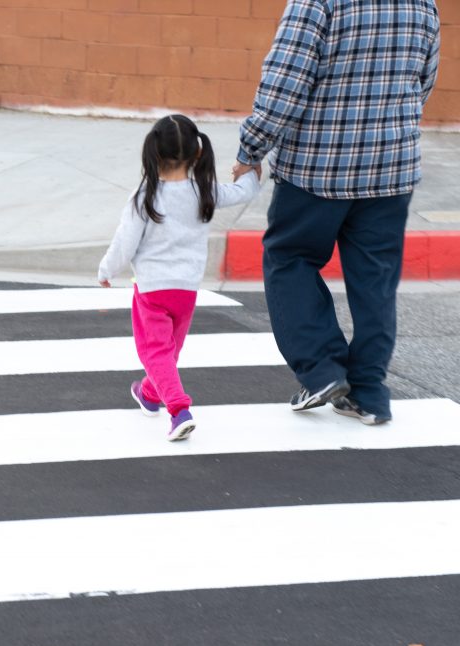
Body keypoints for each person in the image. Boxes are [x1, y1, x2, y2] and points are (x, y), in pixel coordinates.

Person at [233, 0, 440, 425]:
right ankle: (369, 393)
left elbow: (285, 82)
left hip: (318, 167)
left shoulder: (316, 2)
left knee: (289, 259)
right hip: (391, 167)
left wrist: (252, 147)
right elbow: (425, 80)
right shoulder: (424, 3)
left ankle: (322, 369)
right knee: (375, 281)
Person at [99, 114, 260, 441]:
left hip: (152, 290)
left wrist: (107, 270)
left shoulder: (144, 196)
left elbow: (125, 241)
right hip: (186, 290)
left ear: (153, 152)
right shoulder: (204, 190)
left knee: (155, 352)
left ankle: (179, 409)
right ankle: (148, 392)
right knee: (167, 352)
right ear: (198, 153)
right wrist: (252, 174)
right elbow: (241, 193)